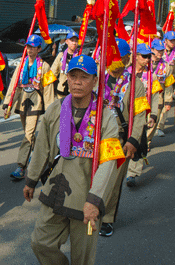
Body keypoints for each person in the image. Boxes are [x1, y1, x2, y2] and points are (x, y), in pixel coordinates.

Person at [24, 55, 125, 265]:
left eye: (84, 77)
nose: (77, 82)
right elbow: (41, 147)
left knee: (83, 259)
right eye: (73, 76)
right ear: (67, 78)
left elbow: (109, 164)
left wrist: (95, 200)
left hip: (86, 195)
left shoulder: (106, 116)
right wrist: (31, 179)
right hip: (55, 189)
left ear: (95, 81)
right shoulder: (56, 109)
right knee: (40, 243)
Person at [100, 42, 150, 236]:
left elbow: (139, 115)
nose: (119, 61)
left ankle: (107, 219)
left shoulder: (135, 84)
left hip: (118, 139)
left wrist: (133, 139)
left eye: (122, 57)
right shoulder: (98, 78)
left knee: (112, 181)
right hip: (94, 135)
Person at [3, 34, 56, 180]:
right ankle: (39, 156)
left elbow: (49, 89)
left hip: (35, 103)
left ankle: (21, 166)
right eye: (28, 46)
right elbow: (14, 85)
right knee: (29, 135)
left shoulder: (44, 66)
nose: (30, 49)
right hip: (22, 103)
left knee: (28, 134)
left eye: (33, 47)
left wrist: (51, 110)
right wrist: (8, 103)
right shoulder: (21, 65)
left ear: (39, 49)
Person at [125, 43, 159, 186]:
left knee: (138, 140)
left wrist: (153, 115)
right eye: (144, 56)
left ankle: (132, 173)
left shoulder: (151, 75)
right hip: (125, 114)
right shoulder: (126, 72)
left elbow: (156, 96)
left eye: (149, 57)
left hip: (141, 114)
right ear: (136, 56)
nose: (147, 60)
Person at [51, 29, 79, 100]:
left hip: (74, 91)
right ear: (66, 41)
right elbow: (53, 72)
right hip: (61, 91)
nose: (74, 43)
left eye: (76, 41)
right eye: (72, 40)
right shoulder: (61, 55)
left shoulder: (80, 57)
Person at [149, 38, 167, 137]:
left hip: (158, 96)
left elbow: (168, 85)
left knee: (154, 117)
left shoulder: (165, 65)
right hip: (145, 94)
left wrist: (168, 100)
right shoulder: (146, 62)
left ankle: (148, 140)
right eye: (158, 50)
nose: (160, 52)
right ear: (152, 49)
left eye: (162, 50)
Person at [162, 31, 175, 131]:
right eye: (171, 40)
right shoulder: (160, 49)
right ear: (166, 40)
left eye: (174, 40)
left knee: (167, 102)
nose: (173, 42)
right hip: (158, 80)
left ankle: (160, 125)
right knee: (158, 103)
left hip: (170, 80)